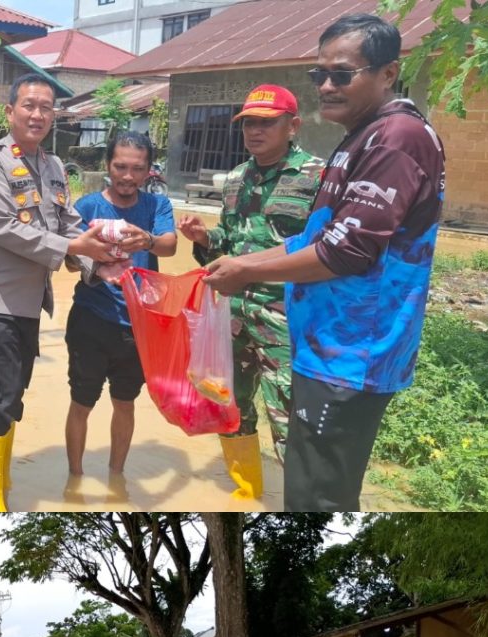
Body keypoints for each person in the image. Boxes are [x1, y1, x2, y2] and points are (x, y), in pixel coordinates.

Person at [204, 14, 446, 511]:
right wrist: (234, 261)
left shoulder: (395, 139)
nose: (327, 86)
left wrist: (246, 271)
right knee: (304, 483)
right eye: (320, 74)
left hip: (352, 354)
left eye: (342, 74)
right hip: (320, 345)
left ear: (388, 73)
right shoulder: (361, 137)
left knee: (318, 498)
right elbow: (312, 239)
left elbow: (345, 251)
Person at [0, 72, 121, 511]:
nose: (37, 114)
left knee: (11, 396)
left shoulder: (53, 167)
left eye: (46, 107)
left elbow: (68, 224)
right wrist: (74, 248)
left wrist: (101, 260)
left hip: (27, 305)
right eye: (29, 105)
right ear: (9, 111)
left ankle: (0, 487)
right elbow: (4, 229)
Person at [178, 86, 324, 499]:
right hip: (234, 315)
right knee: (229, 406)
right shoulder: (236, 179)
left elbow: (324, 249)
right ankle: (248, 492)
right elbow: (229, 243)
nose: (254, 131)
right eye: (248, 124)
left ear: (292, 126)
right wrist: (205, 237)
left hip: (288, 319)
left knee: (293, 415)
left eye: (266, 123)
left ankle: (304, 502)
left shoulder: (318, 177)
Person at [65, 131, 177, 483]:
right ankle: (74, 479)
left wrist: (148, 240)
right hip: (91, 320)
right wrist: (94, 260)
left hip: (139, 326)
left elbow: (170, 246)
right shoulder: (87, 207)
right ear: (108, 165)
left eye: (137, 169)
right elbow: (67, 261)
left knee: (125, 402)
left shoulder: (156, 206)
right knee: (81, 402)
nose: (128, 176)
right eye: (120, 167)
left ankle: (117, 478)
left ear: (149, 170)